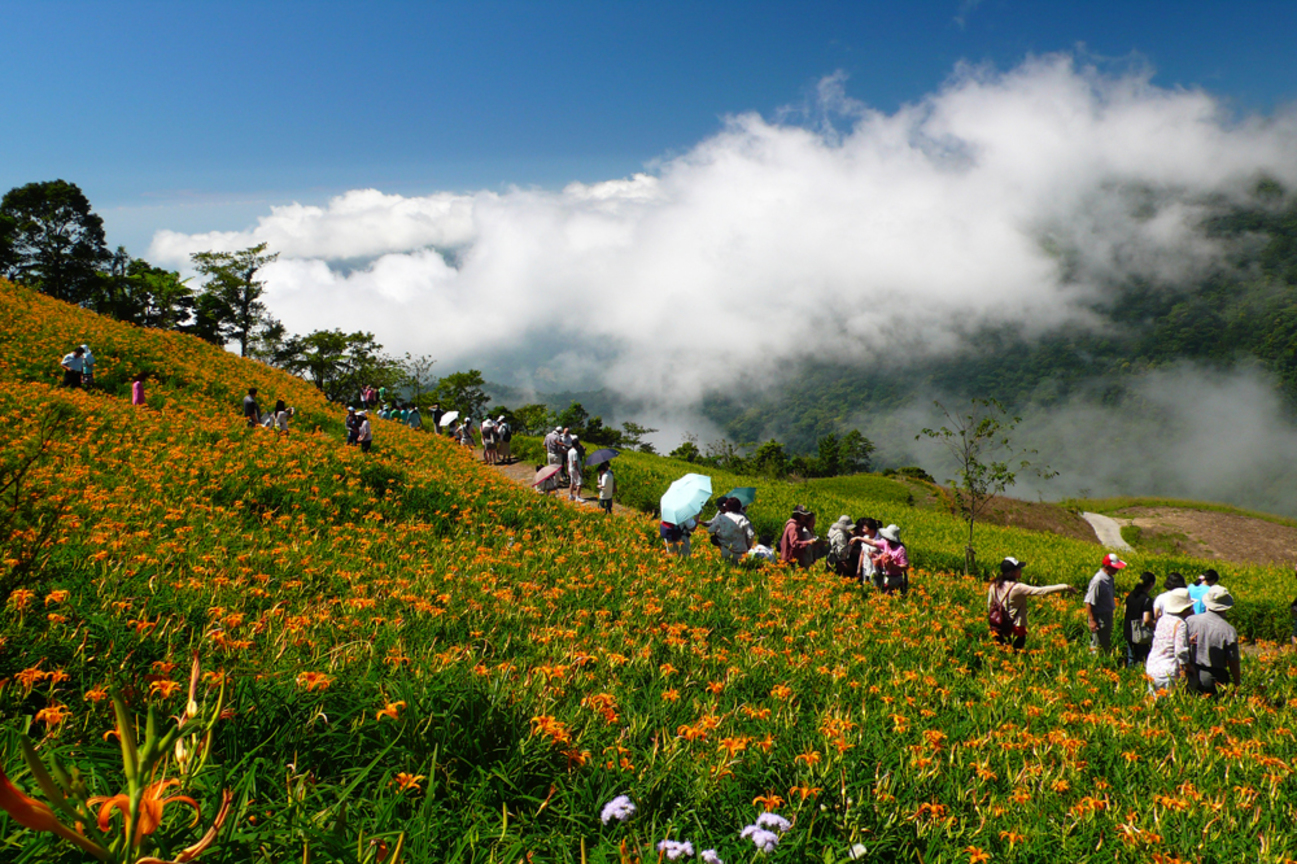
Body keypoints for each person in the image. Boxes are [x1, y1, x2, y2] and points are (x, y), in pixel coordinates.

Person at [986, 557, 1076, 650]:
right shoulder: (1018, 587)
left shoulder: (994, 585)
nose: (1021, 571)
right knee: (1017, 656)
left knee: (1002, 654)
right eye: (1019, 569)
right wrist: (1065, 586)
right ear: (1012, 572)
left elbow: (990, 605)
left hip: (999, 628)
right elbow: (1042, 591)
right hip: (1016, 629)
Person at [1185, 586, 1241, 697]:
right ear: (1225, 607)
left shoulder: (1190, 620)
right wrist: (1237, 683)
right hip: (1215, 676)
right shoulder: (1228, 630)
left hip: (1191, 671)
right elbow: (1233, 662)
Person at [1144, 587, 1194, 695]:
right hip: (1169, 670)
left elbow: (1166, 639)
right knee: (1170, 703)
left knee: (1154, 703)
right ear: (1185, 609)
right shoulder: (1180, 624)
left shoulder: (1162, 619)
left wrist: (1187, 640)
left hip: (1152, 667)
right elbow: (1180, 651)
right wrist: (1188, 667)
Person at [1085, 553, 1125, 652]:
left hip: (1107, 615)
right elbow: (1089, 602)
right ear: (1107, 566)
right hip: (1099, 617)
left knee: (1105, 643)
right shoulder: (1098, 581)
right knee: (1097, 645)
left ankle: (1103, 663)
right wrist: (1092, 621)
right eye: (1115, 567)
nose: (1117, 569)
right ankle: (1094, 665)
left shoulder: (1110, 578)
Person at [1123, 571, 1157, 668]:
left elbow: (1124, 611)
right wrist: (1156, 626)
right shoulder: (1147, 599)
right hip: (1140, 634)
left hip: (1128, 631)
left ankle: (1129, 678)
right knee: (1141, 659)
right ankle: (1138, 678)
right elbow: (1146, 619)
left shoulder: (1130, 595)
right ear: (1151, 584)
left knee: (1131, 657)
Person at [705, 498, 755, 563]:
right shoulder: (742, 518)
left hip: (726, 549)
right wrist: (748, 545)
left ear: (726, 506)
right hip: (741, 551)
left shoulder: (721, 518)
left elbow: (710, 530)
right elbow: (751, 535)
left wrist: (718, 534)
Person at [873, 524, 909, 595]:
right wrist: (858, 538)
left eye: (888, 538)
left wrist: (893, 567)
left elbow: (905, 566)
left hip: (895, 579)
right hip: (885, 577)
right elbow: (873, 542)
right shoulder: (886, 543)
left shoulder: (900, 549)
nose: (886, 540)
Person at [852, 518, 883, 588]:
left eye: (865, 528)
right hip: (865, 567)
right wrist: (859, 568)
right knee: (866, 588)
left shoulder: (880, 540)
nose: (863, 530)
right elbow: (862, 554)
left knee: (875, 588)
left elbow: (884, 555)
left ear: (871, 529)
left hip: (876, 569)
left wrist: (875, 556)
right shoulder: (865, 538)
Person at [567, 437, 583, 502]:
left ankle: (570, 495)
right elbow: (574, 462)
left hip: (570, 468)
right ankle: (578, 497)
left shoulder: (569, 451)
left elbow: (568, 460)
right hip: (575, 469)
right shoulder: (575, 452)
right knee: (579, 483)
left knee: (572, 482)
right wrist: (578, 470)